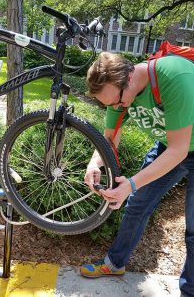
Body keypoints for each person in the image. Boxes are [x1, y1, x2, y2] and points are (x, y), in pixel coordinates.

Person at [80, 52, 194, 297]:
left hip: (178, 147)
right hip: (169, 146)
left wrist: (129, 184)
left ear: (129, 77)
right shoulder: (118, 94)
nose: (117, 108)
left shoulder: (175, 76)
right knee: (137, 205)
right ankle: (115, 264)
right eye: (109, 105)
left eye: (117, 102)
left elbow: (179, 149)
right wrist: (94, 164)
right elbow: (109, 139)